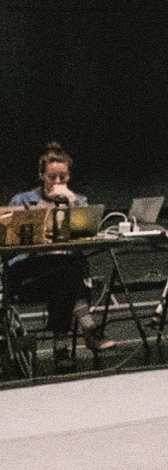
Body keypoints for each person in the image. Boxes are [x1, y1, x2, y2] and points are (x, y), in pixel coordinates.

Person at [7, 144, 102, 362]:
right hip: (29, 272)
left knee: (65, 271)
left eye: (63, 177)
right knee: (67, 271)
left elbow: (85, 237)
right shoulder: (22, 201)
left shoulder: (78, 201)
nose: (58, 183)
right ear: (41, 175)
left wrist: (70, 201)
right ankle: (87, 328)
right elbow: (9, 246)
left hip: (61, 276)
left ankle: (62, 350)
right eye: (52, 177)